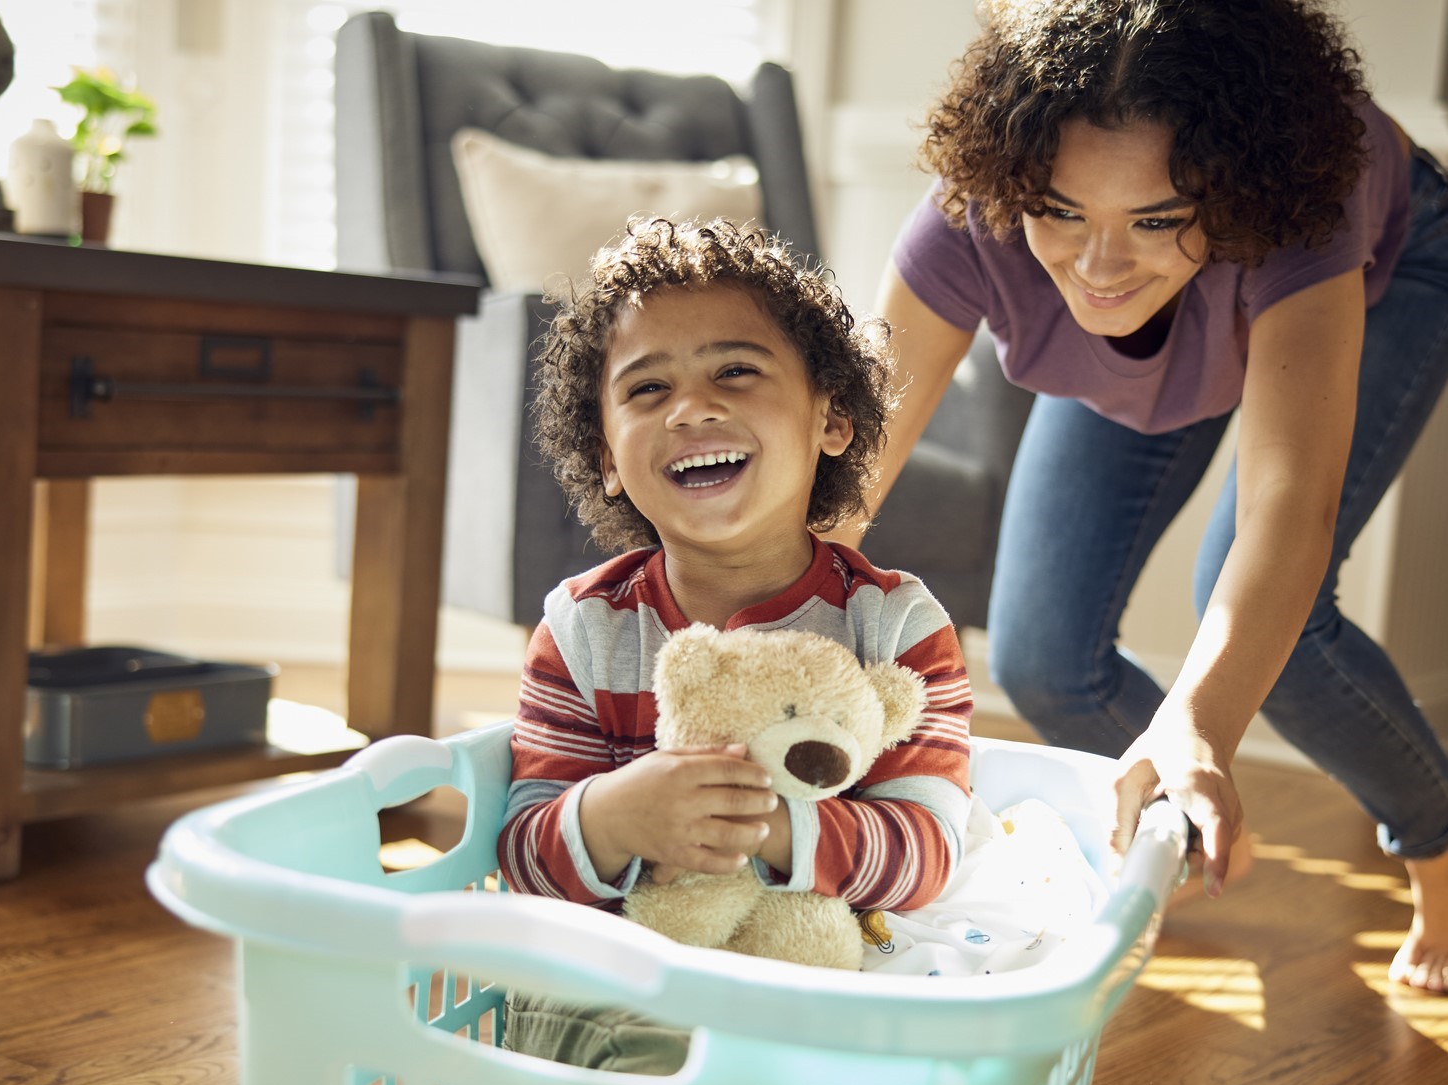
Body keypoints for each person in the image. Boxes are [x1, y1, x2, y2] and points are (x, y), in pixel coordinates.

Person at [860, 0, 1448, 992]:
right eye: (1062, 212)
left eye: (1153, 218)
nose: (1099, 267)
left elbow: (1283, 507)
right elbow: (844, 472)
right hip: (1202, 294)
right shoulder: (974, 215)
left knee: (1279, 630)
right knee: (1044, 658)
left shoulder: (1302, 203)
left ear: (1216, 196)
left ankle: (1440, 849)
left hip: (1379, 266)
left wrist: (1204, 718)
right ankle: (1170, 813)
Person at [497, 216, 973, 927]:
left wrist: (769, 830)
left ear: (832, 419)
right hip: (644, 984)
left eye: (735, 371)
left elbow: (929, 852)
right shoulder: (582, 628)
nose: (692, 409)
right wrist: (612, 818)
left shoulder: (896, 623)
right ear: (606, 460)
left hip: (828, 988)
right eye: (649, 388)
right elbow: (524, 859)